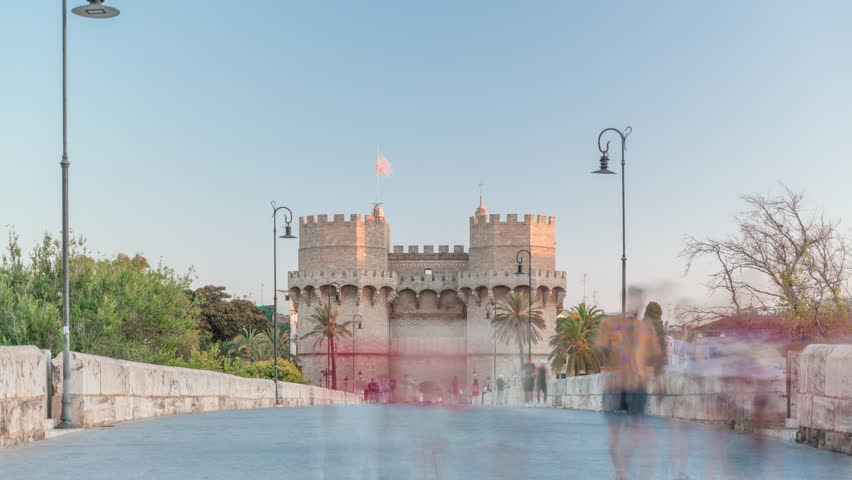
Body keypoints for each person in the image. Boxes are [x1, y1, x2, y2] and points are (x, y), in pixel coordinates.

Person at [594, 311, 663, 480]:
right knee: (617, 436)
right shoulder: (614, 333)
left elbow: (655, 357)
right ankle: (620, 472)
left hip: (636, 388)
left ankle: (622, 468)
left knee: (632, 435)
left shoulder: (643, 336)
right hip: (616, 388)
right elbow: (599, 347)